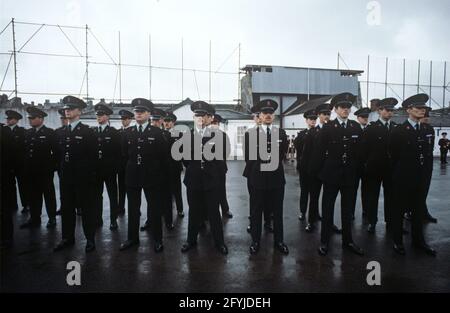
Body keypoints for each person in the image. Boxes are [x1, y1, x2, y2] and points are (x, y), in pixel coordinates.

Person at [312, 93, 364, 256]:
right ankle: (324, 241)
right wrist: (318, 173)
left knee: (347, 210)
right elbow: (319, 152)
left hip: (349, 175)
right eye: (342, 107)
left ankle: (348, 241)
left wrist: (357, 172)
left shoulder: (355, 127)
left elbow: (359, 153)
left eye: (348, 107)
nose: (346, 110)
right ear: (335, 109)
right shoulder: (328, 127)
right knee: (327, 208)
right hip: (331, 175)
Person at [389, 93, 436, 256]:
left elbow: (428, 155)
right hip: (403, 178)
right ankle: (397, 241)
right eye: (418, 108)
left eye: (424, 108)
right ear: (408, 110)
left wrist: (426, 176)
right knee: (399, 210)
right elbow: (393, 156)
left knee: (418, 211)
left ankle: (418, 241)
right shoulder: (399, 131)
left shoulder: (428, 129)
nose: (422, 110)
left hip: (422, 178)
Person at [120, 99, 168, 252]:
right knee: (133, 209)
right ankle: (132, 238)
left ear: (148, 114)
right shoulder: (127, 133)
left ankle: (157, 240)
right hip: (132, 176)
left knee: (154, 208)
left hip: (151, 176)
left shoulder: (157, 133)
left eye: (142, 111)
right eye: (136, 111)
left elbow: (163, 157)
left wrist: (159, 176)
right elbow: (123, 155)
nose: (138, 114)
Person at [181, 101, 229, 255]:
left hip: (211, 181)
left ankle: (219, 242)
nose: (200, 118)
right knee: (194, 212)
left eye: (204, 115)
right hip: (193, 180)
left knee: (214, 213)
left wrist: (214, 175)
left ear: (210, 118)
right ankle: (191, 240)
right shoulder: (187, 135)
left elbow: (221, 159)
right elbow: (185, 159)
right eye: (197, 115)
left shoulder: (219, 136)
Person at [54, 96, 97, 253]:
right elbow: (58, 155)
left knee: (86, 209)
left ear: (79, 111)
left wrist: (90, 177)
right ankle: (67, 238)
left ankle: (90, 239)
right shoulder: (60, 132)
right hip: (66, 177)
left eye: (71, 108)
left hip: (83, 178)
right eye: (66, 108)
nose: (67, 111)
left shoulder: (87, 132)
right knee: (67, 208)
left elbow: (93, 158)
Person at [246, 99, 289, 255]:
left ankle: (279, 241)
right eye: (265, 113)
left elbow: (282, 152)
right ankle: (255, 241)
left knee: (277, 212)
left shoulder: (281, 133)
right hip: (258, 179)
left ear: (274, 115)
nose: (268, 115)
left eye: (271, 113)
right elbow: (249, 157)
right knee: (256, 211)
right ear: (260, 115)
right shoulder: (251, 134)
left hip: (276, 179)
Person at [361, 98, 397, 233]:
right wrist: (366, 165)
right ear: (379, 111)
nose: (390, 113)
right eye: (387, 110)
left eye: (392, 110)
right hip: (374, 169)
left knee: (391, 197)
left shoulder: (395, 128)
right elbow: (364, 150)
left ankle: (390, 221)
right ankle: (372, 221)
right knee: (372, 196)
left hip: (390, 169)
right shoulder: (371, 128)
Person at [20, 106, 57, 229]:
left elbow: (56, 153)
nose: (30, 120)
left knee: (48, 195)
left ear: (41, 119)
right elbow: (25, 152)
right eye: (29, 118)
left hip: (45, 171)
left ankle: (52, 218)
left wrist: (51, 167)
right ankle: (35, 218)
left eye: (33, 118)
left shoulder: (50, 133)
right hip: (31, 171)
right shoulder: (28, 133)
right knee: (33, 195)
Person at [244, 107, 273, 234]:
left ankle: (267, 222)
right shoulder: (249, 133)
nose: (259, 119)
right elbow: (247, 155)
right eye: (257, 117)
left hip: (270, 171)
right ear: (256, 118)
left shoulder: (272, 132)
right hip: (253, 172)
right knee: (254, 200)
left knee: (268, 199)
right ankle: (253, 222)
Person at [93, 103, 121, 230]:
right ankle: (97, 219)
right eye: (97, 115)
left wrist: (115, 167)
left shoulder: (114, 132)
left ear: (107, 116)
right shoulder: (92, 132)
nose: (98, 117)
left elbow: (118, 152)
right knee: (96, 195)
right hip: (96, 170)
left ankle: (113, 219)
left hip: (110, 169)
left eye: (101, 114)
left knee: (112, 195)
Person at [294, 109, 317, 228]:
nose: (313, 121)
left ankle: (314, 215)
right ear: (306, 120)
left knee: (314, 194)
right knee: (304, 191)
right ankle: (303, 212)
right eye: (311, 119)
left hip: (315, 169)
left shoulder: (319, 132)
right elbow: (298, 150)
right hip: (304, 168)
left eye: (314, 119)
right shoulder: (301, 134)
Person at [4, 110, 28, 213]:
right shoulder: (3, 131)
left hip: (19, 163)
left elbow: (25, 148)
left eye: (10, 119)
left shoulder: (22, 131)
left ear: (16, 120)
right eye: (8, 119)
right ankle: (12, 204)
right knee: (9, 185)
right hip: (7, 164)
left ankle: (26, 204)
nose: (8, 120)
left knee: (23, 185)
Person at [210, 113, 233, 219]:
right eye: (212, 123)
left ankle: (225, 209)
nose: (214, 125)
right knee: (209, 191)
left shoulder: (223, 135)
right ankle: (208, 212)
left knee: (221, 190)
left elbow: (227, 150)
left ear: (218, 124)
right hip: (208, 169)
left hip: (220, 168)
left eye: (215, 123)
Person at [351, 107, 371, 220]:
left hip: (367, 165)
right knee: (352, 190)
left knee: (367, 190)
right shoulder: (353, 129)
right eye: (363, 117)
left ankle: (366, 210)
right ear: (358, 118)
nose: (365, 119)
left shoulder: (370, 129)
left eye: (366, 117)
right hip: (355, 165)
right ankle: (351, 212)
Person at [163, 111, 184, 218]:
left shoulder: (179, 135)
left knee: (177, 190)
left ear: (173, 122)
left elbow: (182, 151)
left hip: (175, 167)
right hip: (162, 168)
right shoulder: (160, 134)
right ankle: (164, 210)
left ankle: (180, 209)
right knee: (164, 191)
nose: (166, 123)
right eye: (165, 121)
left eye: (169, 121)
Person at [1, 123, 16, 249]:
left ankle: (6, 238)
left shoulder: (4, 131)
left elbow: (11, 155)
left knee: (3, 209)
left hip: (3, 176)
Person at [117, 109, 134, 216]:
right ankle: (121, 207)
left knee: (132, 189)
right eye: (122, 119)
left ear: (130, 120)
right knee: (121, 188)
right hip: (120, 165)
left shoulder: (133, 132)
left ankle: (134, 208)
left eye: (125, 119)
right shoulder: (118, 132)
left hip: (130, 165)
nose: (123, 121)